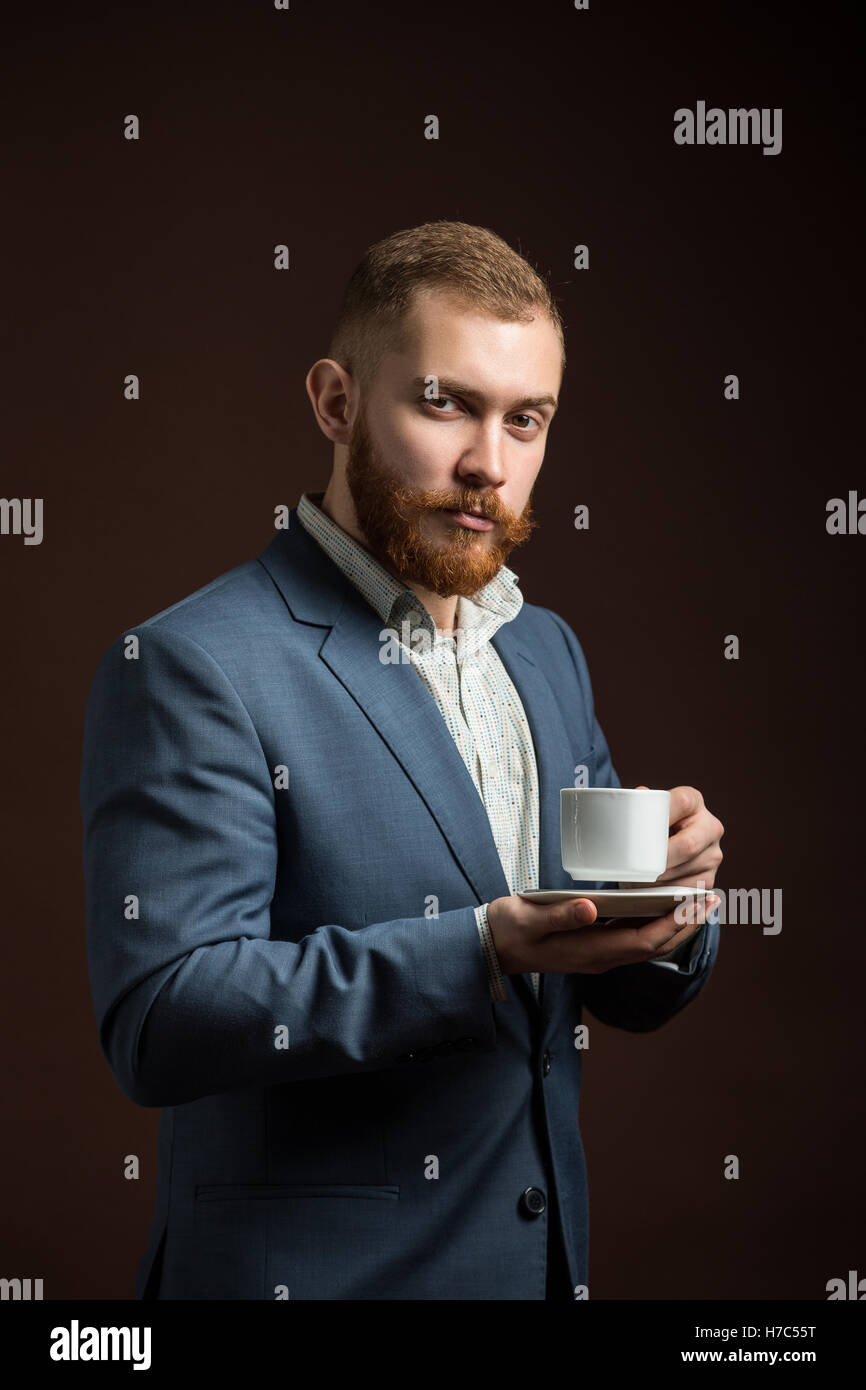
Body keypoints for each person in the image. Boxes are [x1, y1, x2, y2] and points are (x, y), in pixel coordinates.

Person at [80, 220, 724, 1301]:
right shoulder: (193, 663)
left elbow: (595, 980)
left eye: (526, 420)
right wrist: (479, 947)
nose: (489, 463)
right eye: (445, 403)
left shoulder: (543, 647)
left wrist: (665, 917)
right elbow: (163, 1018)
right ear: (334, 402)